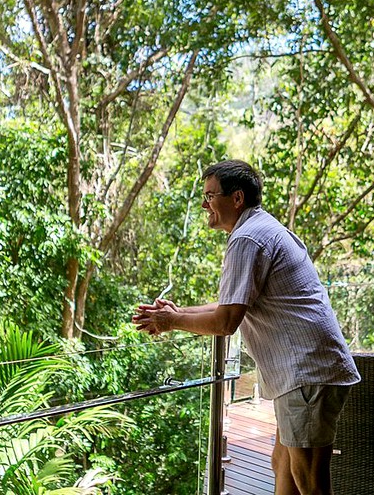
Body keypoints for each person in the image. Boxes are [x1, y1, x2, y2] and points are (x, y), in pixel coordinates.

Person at [132, 159, 360, 495]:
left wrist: (173, 321)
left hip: (306, 373)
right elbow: (233, 304)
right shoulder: (259, 229)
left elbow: (226, 322)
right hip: (304, 372)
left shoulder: (248, 239)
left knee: (310, 481)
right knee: (283, 465)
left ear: (236, 198)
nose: (204, 204)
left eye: (210, 196)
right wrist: (178, 312)